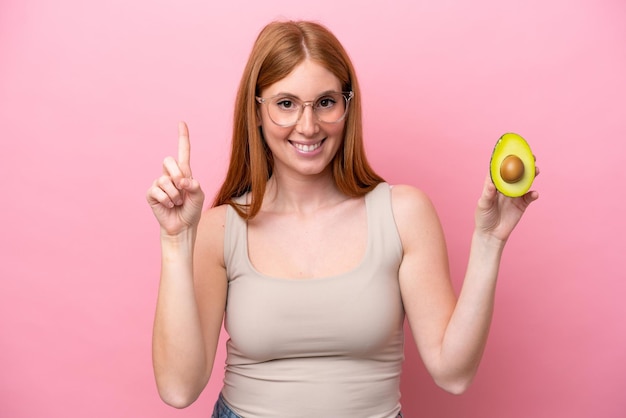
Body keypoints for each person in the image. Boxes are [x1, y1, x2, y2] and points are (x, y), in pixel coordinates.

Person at [146, 20, 539, 418]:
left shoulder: (403, 214)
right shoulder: (222, 227)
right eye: (286, 104)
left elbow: (453, 374)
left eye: (325, 102)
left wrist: (490, 241)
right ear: (257, 111)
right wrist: (177, 242)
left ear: (347, 106)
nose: (308, 125)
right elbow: (179, 388)